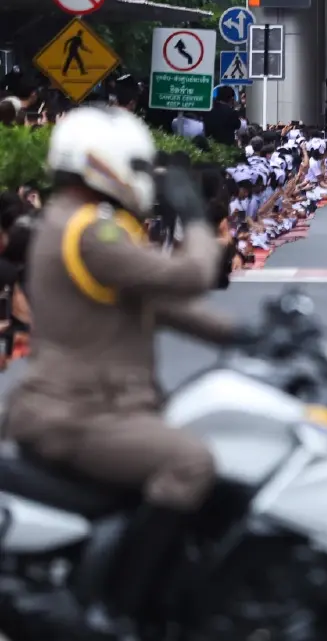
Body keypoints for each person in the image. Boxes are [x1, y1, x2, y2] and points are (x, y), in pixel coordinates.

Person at [2, 107, 248, 628]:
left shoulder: (71, 222)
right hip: (80, 414)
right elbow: (188, 276)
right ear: (103, 163)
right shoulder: (91, 231)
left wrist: (247, 334)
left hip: (88, 408)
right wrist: (200, 221)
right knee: (191, 462)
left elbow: (149, 303)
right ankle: (117, 612)